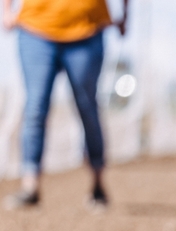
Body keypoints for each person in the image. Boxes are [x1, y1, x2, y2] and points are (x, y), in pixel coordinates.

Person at [2, 0, 129, 210]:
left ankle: (98, 184)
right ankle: (30, 186)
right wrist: (7, 10)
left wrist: (125, 12)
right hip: (35, 28)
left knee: (87, 107)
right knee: (35, 107)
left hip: (87, 30)